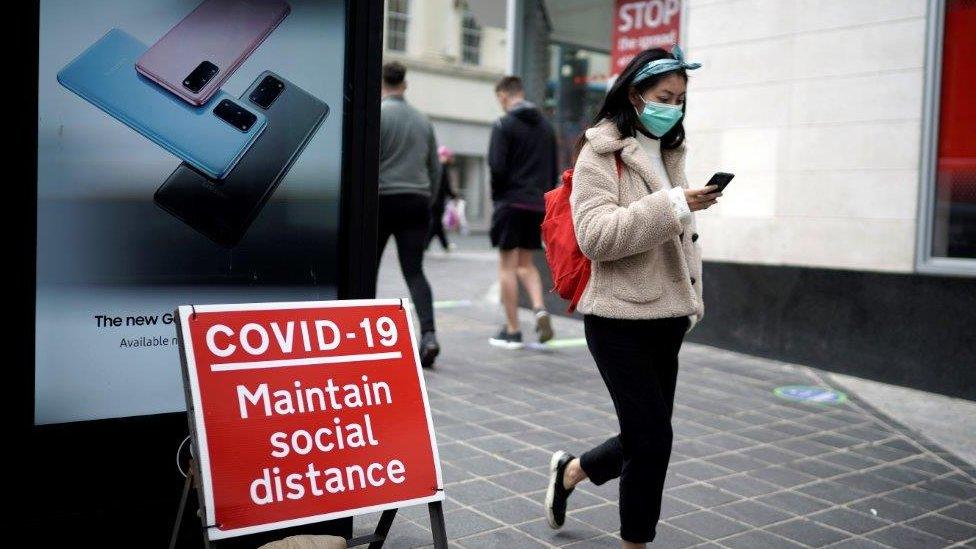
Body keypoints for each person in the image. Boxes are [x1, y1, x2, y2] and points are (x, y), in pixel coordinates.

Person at [543, 46, 721, 548]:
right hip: (617, 318)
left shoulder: (669, 151)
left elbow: (673, 233)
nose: (674, 108)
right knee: (652, 441)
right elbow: (596, 237)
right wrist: (672, 205)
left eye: (681, 99)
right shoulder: (600, 151)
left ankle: (573, 471)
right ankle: (635, 542)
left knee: (648, 434)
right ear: (635, 94)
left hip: (668, 314)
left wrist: (683, 211)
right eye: (665, 97)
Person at [377, 61, 441, 368]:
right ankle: (428, 335)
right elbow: (435, 169)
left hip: (381, 200)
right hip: (416, 200)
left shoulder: (378, 115)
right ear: (405, 84)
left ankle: (364, 338)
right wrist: (428, 198)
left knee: (366, 269)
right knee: (414, 271)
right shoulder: (423, 121)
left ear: (382, 84)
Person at [487, 76, 558, 349]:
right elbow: (552, 169)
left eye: (499, 99)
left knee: (507, 267)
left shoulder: (503, 124)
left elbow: (496, 167)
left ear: (505, 95)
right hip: (536, 205)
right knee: (525, 264)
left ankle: (513, 330)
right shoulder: (546, 127)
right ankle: (539, 308)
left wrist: (499, 199)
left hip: (510, 203)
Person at [427, 145, 460, 251]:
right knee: (435, 223)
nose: (451, 159)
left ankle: (443, 245)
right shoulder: (442, 168)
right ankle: (426, 244)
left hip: (433, 198)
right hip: (437, 200)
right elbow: (445, 184)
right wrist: (453, 195)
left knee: (436, 223)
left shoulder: (435, 167)